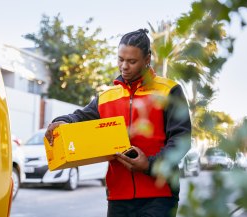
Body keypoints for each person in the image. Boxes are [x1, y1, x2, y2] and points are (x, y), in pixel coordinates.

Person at [45, 28, 191, 217]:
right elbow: (80, 116)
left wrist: (149, 165)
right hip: (118, 198)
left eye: (131, 61)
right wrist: (62, 121)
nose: (124, 66)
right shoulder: (106, 97)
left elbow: (182, 139)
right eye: (120, 59)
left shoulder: (169, 91)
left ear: (147, 60)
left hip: (160, 196)